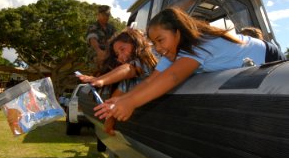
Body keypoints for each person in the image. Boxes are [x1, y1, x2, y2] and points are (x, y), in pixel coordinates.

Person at [94, 7, 286, 122]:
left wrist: (132, 103)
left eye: (161, 40)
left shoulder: (199, 45)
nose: (158, 48)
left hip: (267, 55)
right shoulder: (172, 52)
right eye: (155, 43)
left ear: (178, 33)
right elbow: (151, 81)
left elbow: (173, 77)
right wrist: (123, 99)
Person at [78, 28, 157, 134]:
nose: (120, 56)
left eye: (122, 49)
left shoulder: (146, 61)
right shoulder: (129, 81)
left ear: (135, 43)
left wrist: (101, 80)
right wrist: (110, 120)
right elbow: (117, 96)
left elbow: (129, 69)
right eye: (117, 54)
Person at [86, 5, 116, 72]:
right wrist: (99, 51)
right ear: (98, 15)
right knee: (96, 76)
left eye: (108, 15)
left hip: (109, 56)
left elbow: (116, 36)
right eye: (104, 15)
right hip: (96, 56)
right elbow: (92, 38)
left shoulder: (111, 27)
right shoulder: (93, 26)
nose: (106, 17)